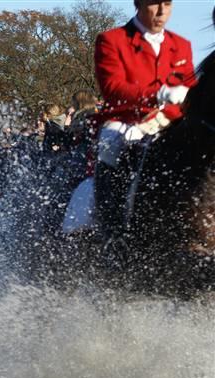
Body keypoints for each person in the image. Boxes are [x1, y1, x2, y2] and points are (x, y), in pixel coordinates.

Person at [93, 0, 196, 260]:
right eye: (154, 4)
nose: (162, 12)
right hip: (127, 120)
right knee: (111, 147)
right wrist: (157, 94)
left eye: (167, 4)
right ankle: (112, 234)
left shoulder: (182, 45)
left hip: (170, 122)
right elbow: (112, 88)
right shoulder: (111, 40)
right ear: (138, 4)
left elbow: (190, 88)